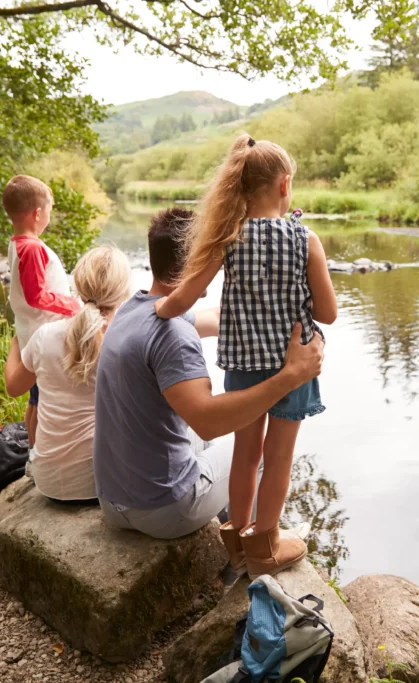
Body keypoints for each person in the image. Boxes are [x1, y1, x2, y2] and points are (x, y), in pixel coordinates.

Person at [152, 134, 338, 577]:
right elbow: (328, 313)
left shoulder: (226, 238)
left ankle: (237, 540)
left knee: (245, 455)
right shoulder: (304, 238)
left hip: (242, 366)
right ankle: (266, 546)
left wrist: (155, 309)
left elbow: (180, 300)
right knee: (278, 460)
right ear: (284, 184)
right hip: (294, 365)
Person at [92, 207, 325, 560]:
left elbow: (213, 318)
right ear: (199, 258)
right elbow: (209, 420)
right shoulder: (174, 337)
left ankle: (240, 533)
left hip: (113, 501)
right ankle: (258, 548)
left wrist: (264, 315)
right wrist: (292, 374)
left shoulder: (133, 309)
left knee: (210, 434)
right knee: (255, 451)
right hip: (164, 511)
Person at [4, 246, 132, 503]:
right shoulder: (127, 341)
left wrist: (15, 344)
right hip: (102, 482)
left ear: (77, 286)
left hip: (48, 481)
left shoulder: (45, 336)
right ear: (124, 293)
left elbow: (14, 387)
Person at [3, 175, 81, 445]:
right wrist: (73, 305)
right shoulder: (33, 247)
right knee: (41, 400)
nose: (49, 215)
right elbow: (36, 296)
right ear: (38, 213)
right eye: (49, 210)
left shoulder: (17, 243)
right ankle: (36, 453)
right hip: (41, 335)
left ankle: (34, 451)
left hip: (31, 331)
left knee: (36, 398)